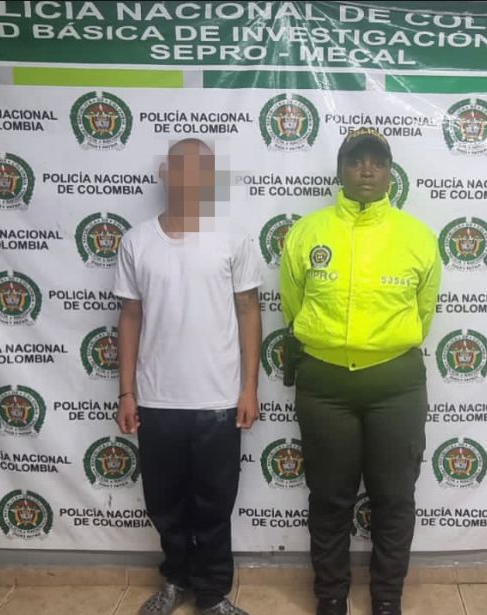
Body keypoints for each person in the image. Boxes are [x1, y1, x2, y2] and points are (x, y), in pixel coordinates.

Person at [279, 128, 441, 615]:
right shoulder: (307, 233)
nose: (366, 170)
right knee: (329, 498)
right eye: (356, 161)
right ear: (340, 171)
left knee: (394, 498)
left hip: (396, 386)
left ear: (390, 173)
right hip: (324, 386)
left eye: (377, 162)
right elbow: (293, 306)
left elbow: (423, 313)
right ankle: (330, 595)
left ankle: (387, 597)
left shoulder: (417, 237)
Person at [115, 138, 262, 615]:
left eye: (202, 170)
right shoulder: (136, 242)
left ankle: (213, 594)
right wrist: (127, 393)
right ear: (165, 174)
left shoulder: (233, 239)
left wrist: (249, 388)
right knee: (166, 503)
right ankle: (176, 580)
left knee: (216, 504)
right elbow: (130, 317)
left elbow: (249, 311)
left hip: (218, 400)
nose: (190, 178)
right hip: (157, 400)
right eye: (182, 168)